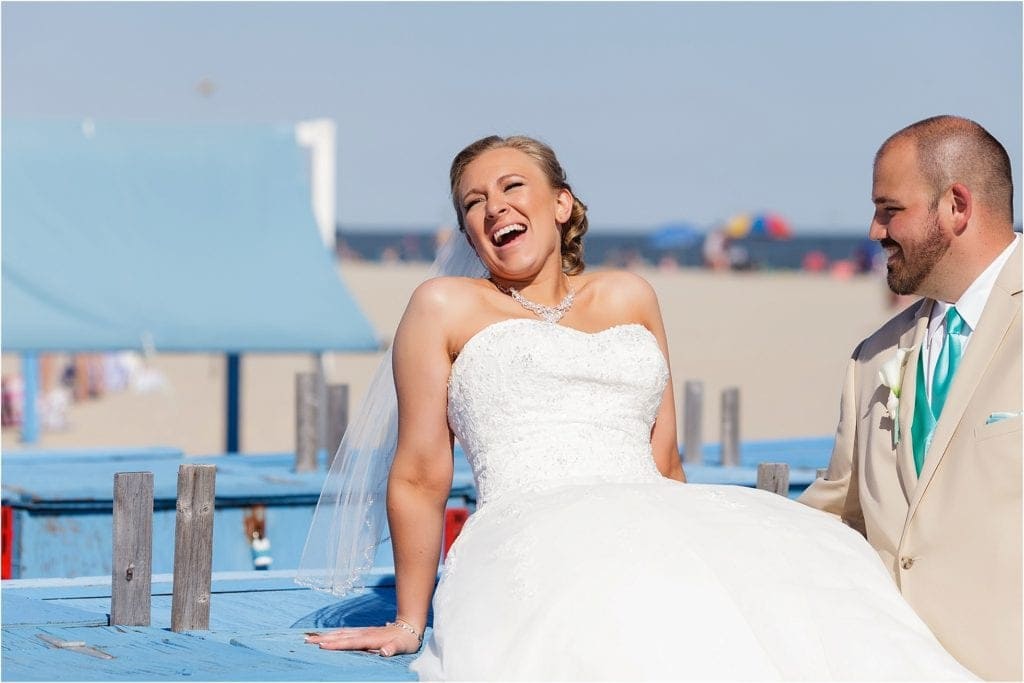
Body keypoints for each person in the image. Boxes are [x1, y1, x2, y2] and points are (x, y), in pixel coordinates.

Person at [302, 135, 973, 680]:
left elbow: (666, 458)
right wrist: (411, 620)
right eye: (473, 203)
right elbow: (420, 472)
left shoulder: (631, 294)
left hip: (656, 509)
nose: (492, 209)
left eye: (511, 188)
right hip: (533, 528)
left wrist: (695, 544)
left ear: (561, 204)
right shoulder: (442, 306)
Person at [799, 115, 1021, 681]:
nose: (875, 230)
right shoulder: (871, 358)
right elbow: (835, 522)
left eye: (889, 209)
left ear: (957, 207)